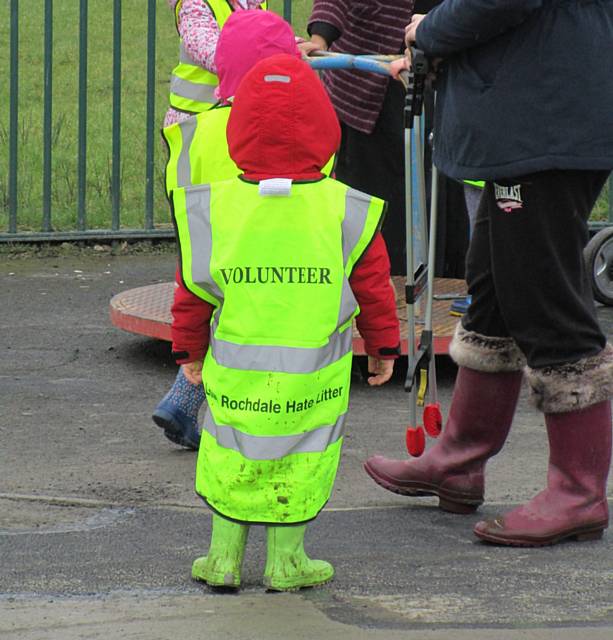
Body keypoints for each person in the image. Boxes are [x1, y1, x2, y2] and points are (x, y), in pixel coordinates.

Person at [365, 0, 613, 547]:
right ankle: (460, 459)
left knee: (544, 296)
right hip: (533, 111)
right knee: (495, 290)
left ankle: (579, 491)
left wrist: (432, 28)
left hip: (543, 117)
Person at [170, 53, 401, 590]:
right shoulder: (346, 208)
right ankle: (286, 562)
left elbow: (191, 292)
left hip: (234, 380)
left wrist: (189, 354)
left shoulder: (213, 209)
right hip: (313, 385)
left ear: (237, 130)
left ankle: (223, 560)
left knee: (230, 456)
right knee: (301, 461)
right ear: (325, 129)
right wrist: (383, 346)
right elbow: (373, 284)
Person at [153, 1, 270, 450]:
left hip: (230, 144)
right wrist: (275, 51)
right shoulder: (198, 4)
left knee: (222, 279)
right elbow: (215, 49)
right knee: (214, 278)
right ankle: (197, 396)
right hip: (200, 151)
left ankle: (187, 397)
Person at [300, 1, 414, 276]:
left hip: (432, 72)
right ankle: (378, 283)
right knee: (370, 206)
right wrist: (319, 40)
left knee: (427, 194)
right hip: (364, 89)